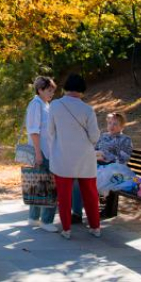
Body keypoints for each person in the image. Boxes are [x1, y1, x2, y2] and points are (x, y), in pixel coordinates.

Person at [48, 73, 101, 239]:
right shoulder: (87, 110)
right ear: (82, 90)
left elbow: (50, 131)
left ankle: (66, 229)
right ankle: (95, 227)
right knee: (90, 194)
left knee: (64, 196)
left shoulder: (55, 106)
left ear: (65, 88)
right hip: (85, 158)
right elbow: (94, 137)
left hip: (62, 156)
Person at [71, 112, 133, 220]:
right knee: (77, 177)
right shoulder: (103, 136)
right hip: (98, 165)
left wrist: (105, 157)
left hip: (114, 169)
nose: (111, 126)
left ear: (122, 126)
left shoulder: (125, 140)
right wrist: (95, 155)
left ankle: (93, 208)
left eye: (115, 124)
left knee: (94, 180)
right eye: (109, 123)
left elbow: (124, 159)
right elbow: (93, 150)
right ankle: (77, 212)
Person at [24, 76, 58, 232]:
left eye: (53, 90)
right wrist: (38, 153)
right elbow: (33, 130)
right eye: (49, 90)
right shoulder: (36, 104)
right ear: (40, 89)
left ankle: (34, 218)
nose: (52, 93)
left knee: (39, 184)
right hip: (42, 151)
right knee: (49, 185)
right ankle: (46, 221)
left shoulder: (45, 104)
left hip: (48, 150)